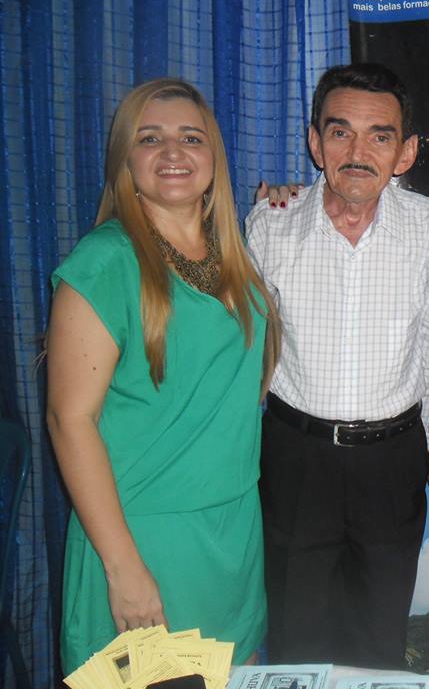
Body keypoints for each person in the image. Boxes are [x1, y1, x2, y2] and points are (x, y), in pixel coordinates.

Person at [47, 78, 281, 673]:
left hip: (232, 534)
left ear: (214, 157)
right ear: (125, 160)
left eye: (191, 138)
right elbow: (69, 421)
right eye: (150, 138)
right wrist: (123, 567)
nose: (173, 152)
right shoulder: (105, 262)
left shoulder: (233, 255)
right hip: (143, 541)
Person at [245, 63, 429, 668]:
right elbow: (247, 349)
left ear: (406, 151)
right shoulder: (270, 224)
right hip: (296, 459)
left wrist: (428, 431)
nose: (359, 153)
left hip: (392, 462)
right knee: (296, 643)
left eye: (380, 136)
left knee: (378, 645)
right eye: (340, 133)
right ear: (315, 142)